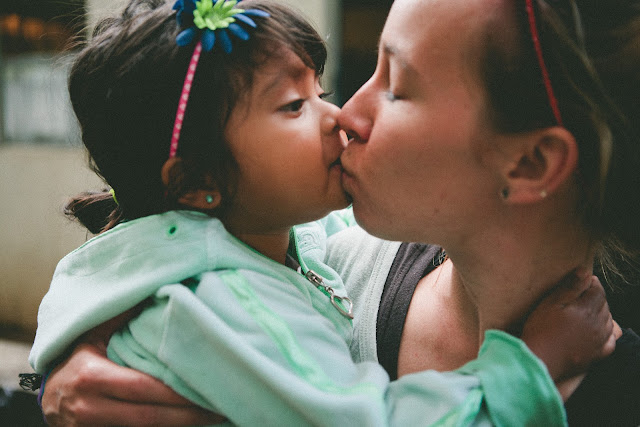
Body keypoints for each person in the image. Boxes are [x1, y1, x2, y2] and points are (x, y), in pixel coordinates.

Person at [26, 0, 616, 425]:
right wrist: (531, 366)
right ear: (197, 182)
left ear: (531, 162)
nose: (344, 115)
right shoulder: (239, 292)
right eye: (293, 105)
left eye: (397, 85)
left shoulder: (298, 246)